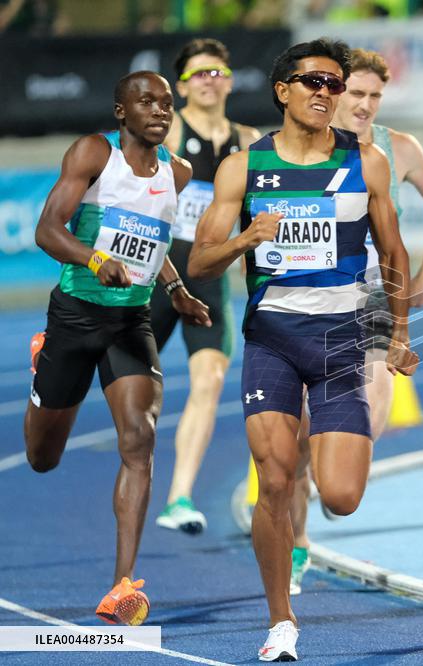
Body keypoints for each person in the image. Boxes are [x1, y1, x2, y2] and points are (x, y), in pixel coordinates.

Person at [187, 38, 418, 662]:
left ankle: (317, 485)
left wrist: (397, 334)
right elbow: (198, 260)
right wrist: (247, 241)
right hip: (273, 341)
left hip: (344, 339)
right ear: (282, 89)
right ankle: (280, 623)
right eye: (313, 81)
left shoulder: (366, 163)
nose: (325, 92)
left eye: (334, 84)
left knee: (341, 496)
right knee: (275, 480)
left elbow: (395, 253)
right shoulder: (243, 168)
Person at [24, 71, 211, 625]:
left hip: (132, 320)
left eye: (167, 104)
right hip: (76, 316)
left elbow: (152, 242)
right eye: (145, 102)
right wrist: (95, 260)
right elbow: (47, 230)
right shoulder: (93, 155)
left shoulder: (178, 171)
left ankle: (121, 586)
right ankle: (44, 360)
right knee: (41, 458)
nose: (159, 111)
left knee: (140, 435)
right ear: (120, 113)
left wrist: (175, 290)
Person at [286, 47, 423, 595]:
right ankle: (298, 545)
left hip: (377, 294)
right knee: (300, 430)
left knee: (373, 412)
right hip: (311, 298)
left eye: (375, 96)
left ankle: (336, 471)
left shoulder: (399, 149)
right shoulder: (306, 145)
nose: (366, 105)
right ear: (333, 90)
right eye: (357, 94)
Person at [151, 38, 261, 535]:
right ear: (182, 86)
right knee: (119, 379)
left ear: (230, 79)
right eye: (198, 74)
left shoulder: (250, 139)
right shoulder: (169, 129)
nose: (209, 80)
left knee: (209, 381)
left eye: (217, 71)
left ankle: (179, 498)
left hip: (208, 281)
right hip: (154, 272)